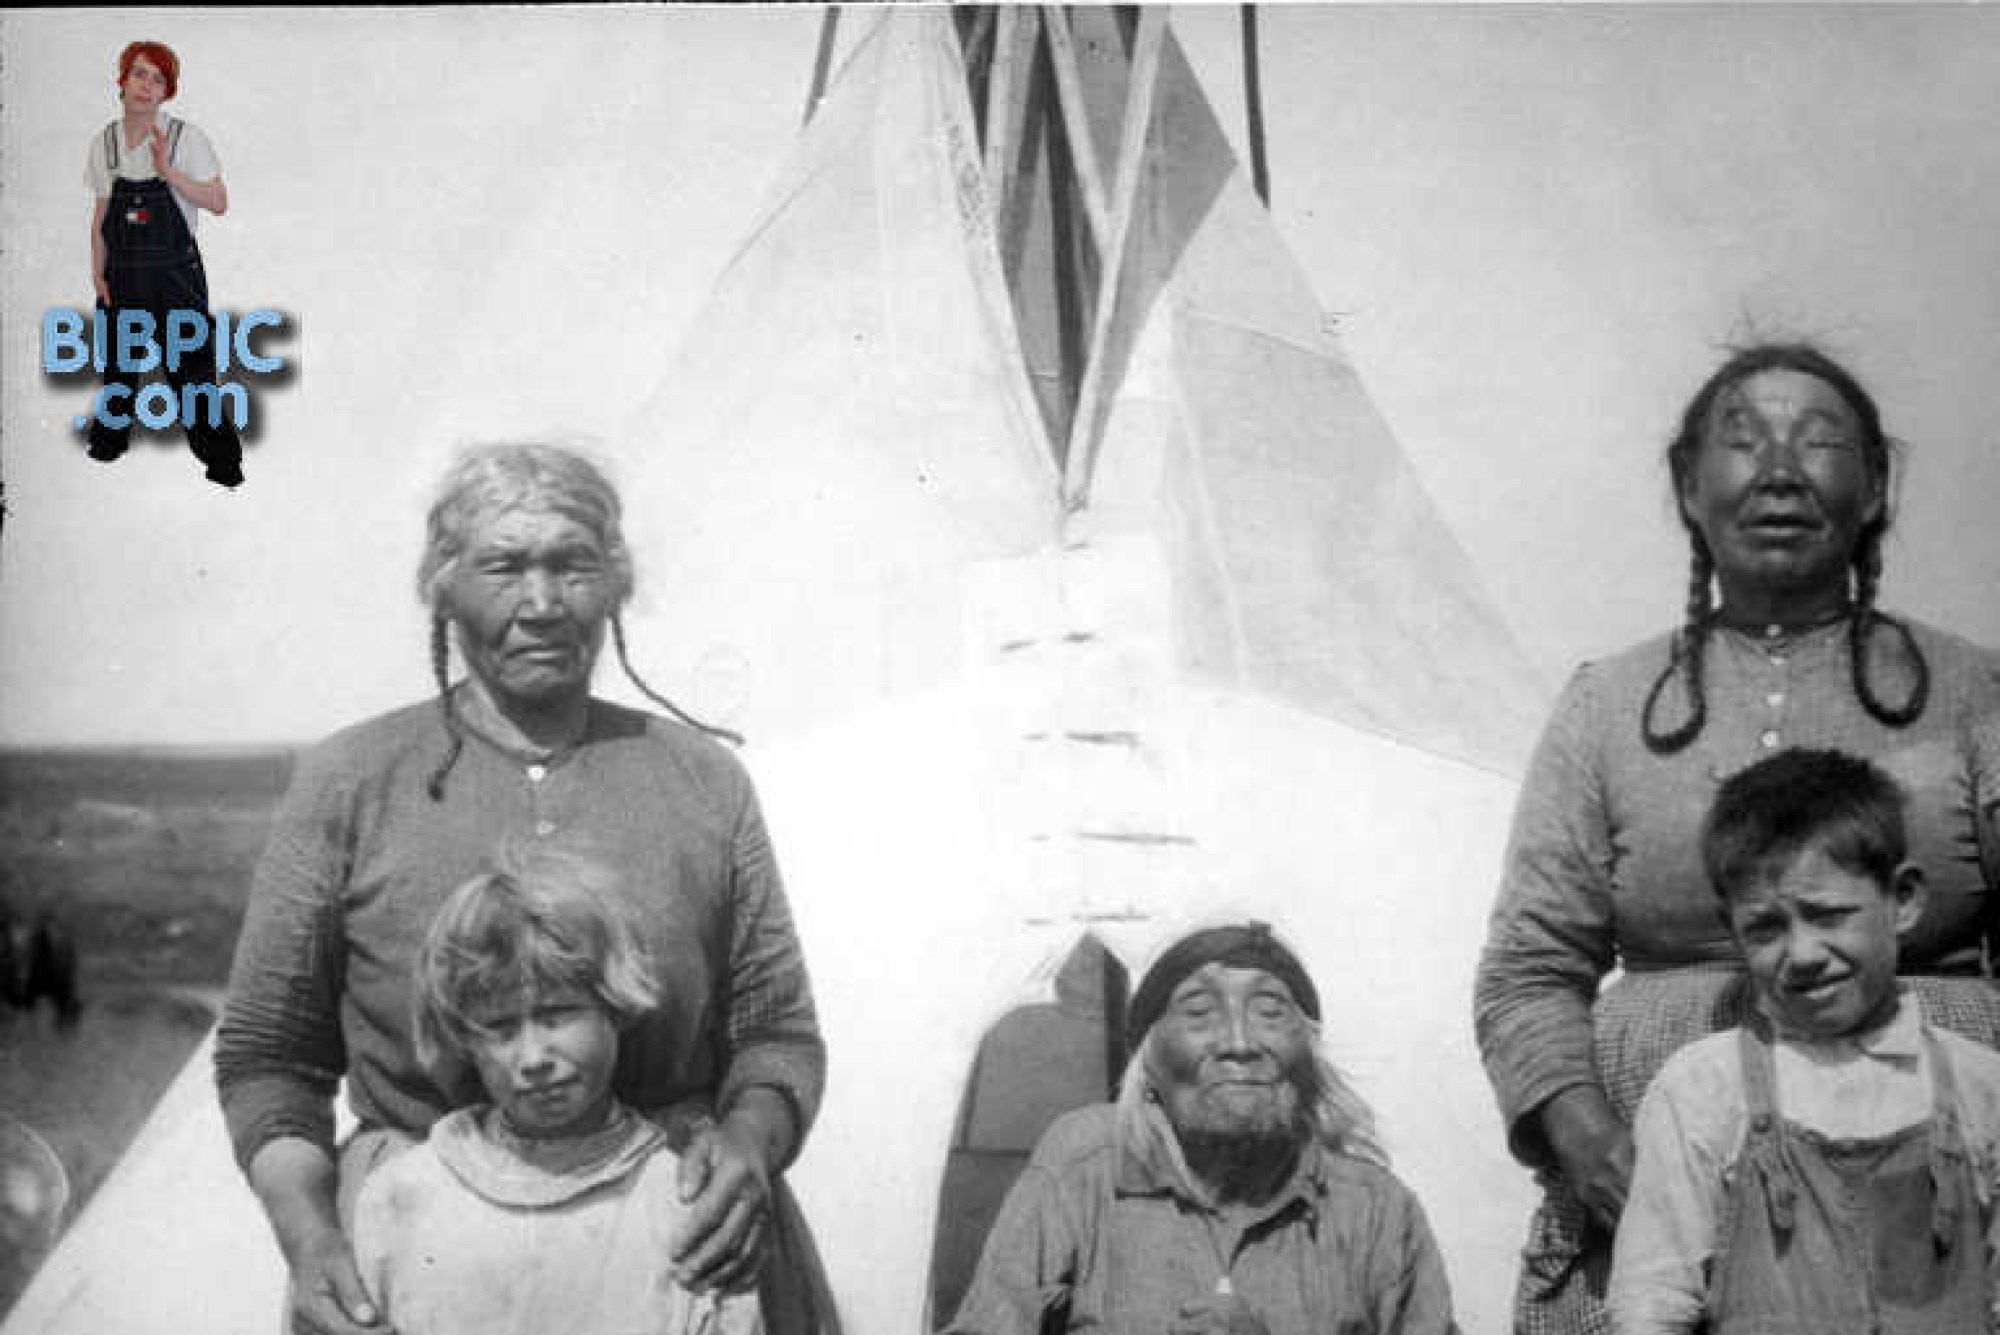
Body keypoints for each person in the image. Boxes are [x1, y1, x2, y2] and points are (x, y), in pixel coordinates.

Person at [215, 442, 832, 1335]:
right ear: (443, 588)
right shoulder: (350, 781)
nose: (542, 603)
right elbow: (270, 1056)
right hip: (414, 1247)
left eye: (572, 564)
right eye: (504, 567)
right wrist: (308, 1235)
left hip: (682, 1237)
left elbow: (776, 1036)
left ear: (615, 582)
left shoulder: (702, 780)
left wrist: (749, 1145)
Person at [1473, 342, 2000, 1334]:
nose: (1779, 470)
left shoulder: (1975, 693)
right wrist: (1589, 1144)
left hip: (1942, 1196)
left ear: (1874, 486)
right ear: (1687, 484)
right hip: (1644, 1184)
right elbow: (1527, 970)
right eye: (1744, 440)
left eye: (1818, 440)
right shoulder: (1604, 704)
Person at [1607, 747, 2000, 1334]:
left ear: (1903, 900)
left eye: (1829, 915)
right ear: (1733, 931)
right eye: (1766, 928)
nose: (1804, 954)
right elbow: (1651, 1303)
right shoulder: (1703, 1090)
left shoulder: (1981, 1085)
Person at [946, 922, 1457, 1335]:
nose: (1239, 1042)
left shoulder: (1377, 1211)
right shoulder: (1084, 1167)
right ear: (1149, 1062)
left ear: (1307, 1054)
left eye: (1270, 1011)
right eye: (1199, 1012)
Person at [352, 847, 761, 1335]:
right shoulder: (405, 1196)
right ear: (464, 1039)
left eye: (557, 1015)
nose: (533, 1059)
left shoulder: (679, 1201)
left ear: (614, 1003)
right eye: (500, 1028)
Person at [84, 40, 243, 487]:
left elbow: (218, 202)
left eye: (158, 79)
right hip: (121, 275)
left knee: (192, 375)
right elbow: (100, 217)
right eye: (139, 73)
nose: (146, 86)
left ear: (166, 91)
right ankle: (108, 446)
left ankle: (223, 464)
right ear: (123, 80)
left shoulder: (185, 138)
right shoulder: (105, 143)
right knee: (117, 366)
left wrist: (168, 171)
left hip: (176, 278)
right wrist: (97, 272)